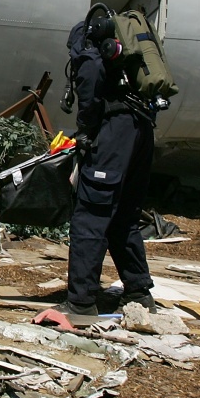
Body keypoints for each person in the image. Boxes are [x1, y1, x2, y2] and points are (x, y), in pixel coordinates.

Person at [57, 18, 156, 315]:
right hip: (141, 130)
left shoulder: (87, 43)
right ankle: (138, 292)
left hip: (113, 133)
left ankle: (81, 303)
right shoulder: (127, 45)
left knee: (91, 216)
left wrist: (86, 130)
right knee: (123, 215)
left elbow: (89, 78)